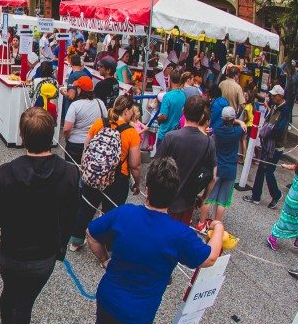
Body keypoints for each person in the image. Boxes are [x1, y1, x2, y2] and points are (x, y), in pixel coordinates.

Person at [78, 157, 223, 324]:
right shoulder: (180, 234)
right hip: (139, 311)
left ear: (147, 189)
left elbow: (92, 234)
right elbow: (209, 258)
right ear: (174, 194)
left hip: (108, 294)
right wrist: (217, 229)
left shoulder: (125, 213)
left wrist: (105, 260)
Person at [0, 109, 79, 324]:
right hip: (43, 256)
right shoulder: (69, 173)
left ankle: (5, 321)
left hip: (11, 252)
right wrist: (60, 247)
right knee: (26, 303)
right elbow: (71, 216)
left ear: (22, 136)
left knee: (9, 288)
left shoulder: (6, 172)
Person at [68, 95, 142, 249]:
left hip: (93, 173)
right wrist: (137, 182)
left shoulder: (100, 123)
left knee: (86, 207)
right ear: (127, 111)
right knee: (111, 213)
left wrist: (85, 168)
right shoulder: (131, 133)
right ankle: (107, 246)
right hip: (118, 178)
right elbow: (135, 164)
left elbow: (86, 146)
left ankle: (76, 240)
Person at [153, 95, 215, 225]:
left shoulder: (171, 137)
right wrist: (204, 197)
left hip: (163, 199)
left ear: (183, 112)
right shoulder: (209, 143)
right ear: (202, 117)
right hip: (188, 201)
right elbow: (212, 176)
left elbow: (154, 169)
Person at [197, 105, 245, 230]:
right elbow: (242, 128)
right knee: (222, 201)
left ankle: (201, 222)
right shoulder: (237, 132)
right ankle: (216, 225)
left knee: (209, 197)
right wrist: (239, 121)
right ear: (233, 119)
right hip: (231, 169)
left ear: (223, 119)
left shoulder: (218, 130)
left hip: (217, 167)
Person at [243, 85, 291, 208]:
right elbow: (268, 121)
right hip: (269, 143)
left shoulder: (285, 110)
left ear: (280, 96)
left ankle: (276, 194)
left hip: (276, 145)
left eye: (274, 95)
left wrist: (268, 131)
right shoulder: (275, 106)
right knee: (261, 170)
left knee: (269, 171)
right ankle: (256, 195)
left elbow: (279, 129)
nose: (272, 97)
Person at [266, 146, 298, 251]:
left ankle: (295, 240)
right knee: (296, 220)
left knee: (286, 217)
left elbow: (290, 166)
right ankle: (274, 237)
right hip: (297, 200)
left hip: (290, 197)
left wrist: (284, 165)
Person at [62, 76, 106, 165]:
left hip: (76, 144)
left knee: (73, 171)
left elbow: (67, 128)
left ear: (80, 90)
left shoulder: (75, 105)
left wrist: (67, 139)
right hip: (94, 143)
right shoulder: (100, 103)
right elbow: (105, 120)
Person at [156, 70, 186, 148]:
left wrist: (159, 118)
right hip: (177, 133)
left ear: (170, 79)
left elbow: (164, 116)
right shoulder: (183, 95)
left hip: (165, 133)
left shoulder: (167, 96)